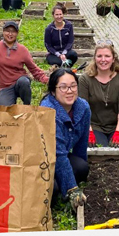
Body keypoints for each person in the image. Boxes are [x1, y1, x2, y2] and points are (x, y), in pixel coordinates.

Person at [40, 68, 91, 209]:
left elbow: (82, 142)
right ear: (53, 91)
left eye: (73, 86)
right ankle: (58, 184)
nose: (69, 91)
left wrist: (80, 168)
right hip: (41, 159)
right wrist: (72, 189)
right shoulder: (48, 112)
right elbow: (58, 154)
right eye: (63, 87)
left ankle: (62, 178)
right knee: (52, 189)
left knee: (82, 168)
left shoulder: (83, 107)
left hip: (60, 155)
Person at [79, 41, 119, 148]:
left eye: (107, 56)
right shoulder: (85, 79)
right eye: (99, 56)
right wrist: (89, 131)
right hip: (94, 126)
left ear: (113, 59)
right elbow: (82, 108)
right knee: (100, 148)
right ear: (94, 58)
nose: (103, 60)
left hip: (114, 126)